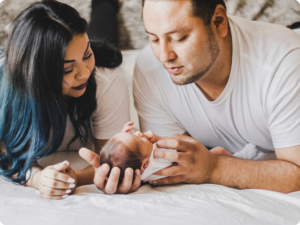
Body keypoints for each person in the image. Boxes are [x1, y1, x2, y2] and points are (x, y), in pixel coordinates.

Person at [130, 0, 300, 193]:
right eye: (153, 39)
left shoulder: (284, 63)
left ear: (219, 21)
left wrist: (214, 168)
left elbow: (297, 171)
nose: (164, 56)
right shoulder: (149, 70)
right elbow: (171, 164)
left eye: (179, 38)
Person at [0, 0, 140, 199]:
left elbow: (110, 159)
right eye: (67, 69)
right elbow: (6, 156)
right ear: (37, 76)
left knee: (104, 39)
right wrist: (37, 179)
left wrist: (77, 178)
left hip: (95, 52)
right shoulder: (7, 90)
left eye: (86, 55)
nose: (83, 74)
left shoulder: (104, 77)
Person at [99, 121, 260, 184]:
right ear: (145, 165)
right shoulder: (156, 162)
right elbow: (177, 146)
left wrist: (123, 134)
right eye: (139, 140)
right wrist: (157, 139)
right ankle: (240, 157)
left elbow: (121, 157)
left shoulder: (140, 170)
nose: (139, 133)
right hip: (197, 168)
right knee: (219, 151)